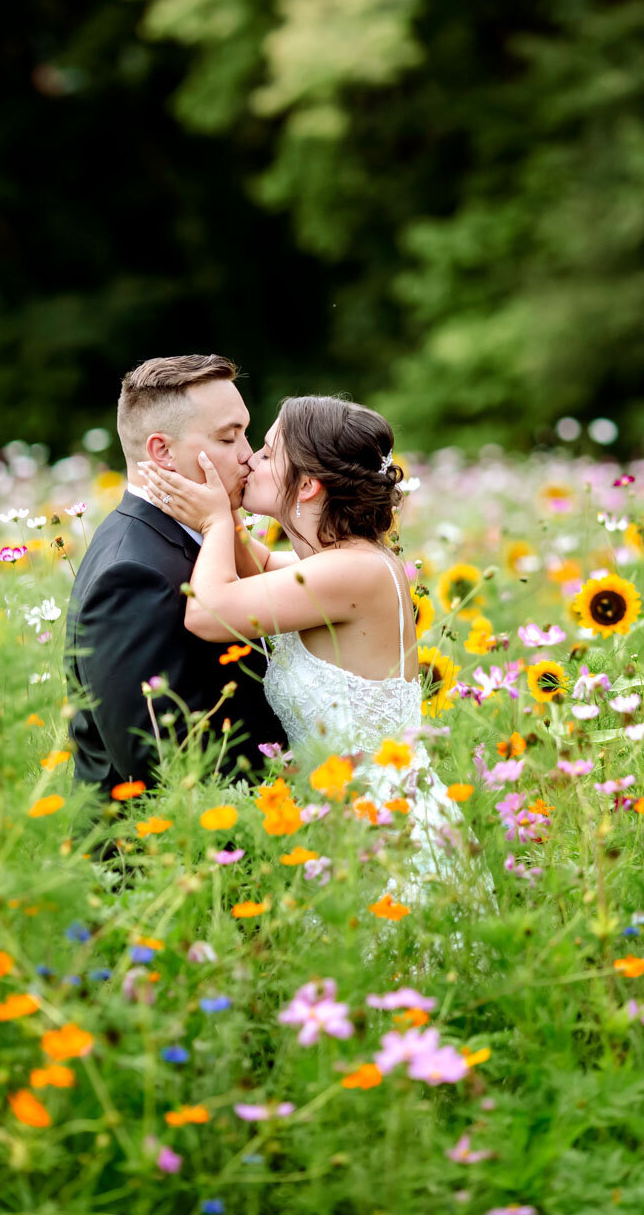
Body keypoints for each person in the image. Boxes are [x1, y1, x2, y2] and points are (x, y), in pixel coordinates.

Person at [138, 394, 473, 887]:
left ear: (309, 485)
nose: (250, 458)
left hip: (381, 831)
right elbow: (259, 567)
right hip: (348, 818)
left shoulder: (351, 571)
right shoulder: (342, 561)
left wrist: (211, 523)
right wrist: (225, 512)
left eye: (269, 453)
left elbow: (209, 614)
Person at [65, 354, 286, 797]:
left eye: (245, 432)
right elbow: (154, 762)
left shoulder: (197, 539)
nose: (248, 457)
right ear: (162, 452)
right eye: (229, 438)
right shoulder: (132, 573)